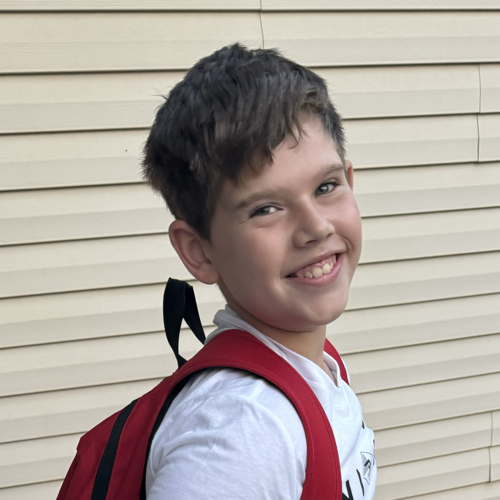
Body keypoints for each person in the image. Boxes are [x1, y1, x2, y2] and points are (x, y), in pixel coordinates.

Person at [142, 43, 376, 500]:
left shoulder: (313, 363)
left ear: (349, 180)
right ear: (199, 251)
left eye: (326, 186)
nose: (316, 227)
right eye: (265, 208)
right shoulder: (242, 432)